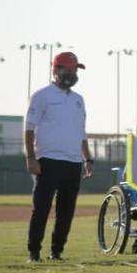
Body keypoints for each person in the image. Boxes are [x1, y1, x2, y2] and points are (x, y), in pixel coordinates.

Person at [24, 51, 94, 262]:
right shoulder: (42, 95)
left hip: (73, 163)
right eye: (67, 69)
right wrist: (30, 157)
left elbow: (81, 133)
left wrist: (87, 159)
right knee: (42, 208)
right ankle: (34, 252)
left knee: (66, 212)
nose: (72, 73)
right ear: (55, 70)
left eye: (74, 70)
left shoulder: (78, 100)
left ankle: (56, 252)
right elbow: (28, 128)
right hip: (47, 161)